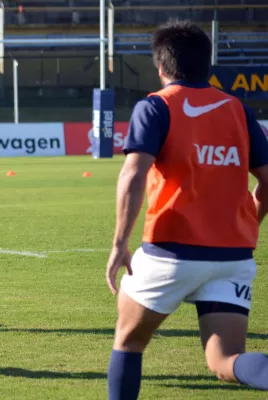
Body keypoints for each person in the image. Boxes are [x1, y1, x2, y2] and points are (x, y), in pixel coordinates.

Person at [105, 20, 268, 399]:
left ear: (161, 67)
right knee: (225, 361)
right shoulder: (238, 110)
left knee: (128, 341)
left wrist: (119, 243)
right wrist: (248, 223)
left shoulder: (157, 105)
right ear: (207, 66)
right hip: (233, 257)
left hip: (171, 253)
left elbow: (133, 174)